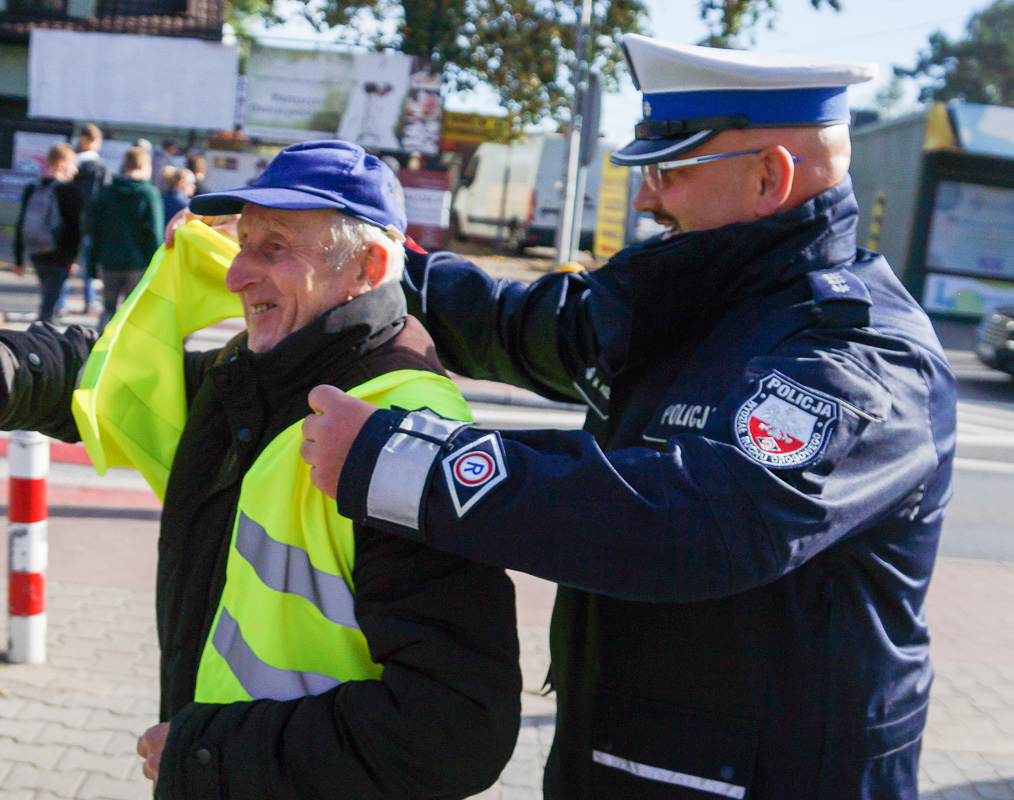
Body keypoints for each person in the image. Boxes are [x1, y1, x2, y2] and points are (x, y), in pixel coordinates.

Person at [299, 35, 957, 800]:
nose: (645, 197)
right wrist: (353, 258)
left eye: (669, 169)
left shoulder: (857, 351)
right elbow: (531, 327)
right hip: (624, 761)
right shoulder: (701, 290)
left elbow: (690, 522)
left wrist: (404, 464)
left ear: (770, 177)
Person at [0, 140, 521, 800]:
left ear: (367, 266)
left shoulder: (408, 433)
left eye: (274, 247)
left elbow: (456, 730)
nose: (237, 275)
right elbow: (102, 375)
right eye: (244, 241)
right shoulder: (254, 375)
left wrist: (211, 755)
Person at [88, 146, 164, 333]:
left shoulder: (106, 192)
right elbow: (155, 233)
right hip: (137, 264)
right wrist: (157, 265)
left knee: (108, 309)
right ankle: (126, 351)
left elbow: (95, 229)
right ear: (142, 165)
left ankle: (99, 346)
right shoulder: (148, 193)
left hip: (109, 262)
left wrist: (92, 263)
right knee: (133, 310)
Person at [13, 143, 81, 324]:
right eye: (72, 164)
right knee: (50, 306)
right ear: (61, 164)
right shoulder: (68, 190)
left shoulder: (32, 189)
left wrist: (18, 258)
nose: (75, 170)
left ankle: (45, 330)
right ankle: (43, 336)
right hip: (57, 255)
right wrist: (71, 258)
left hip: (35, 251)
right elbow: (74, 229)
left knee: (48, 298)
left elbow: (20, 223)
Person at [73, 122, 110, 314]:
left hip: (70, 219)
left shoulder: (72, 162)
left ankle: (59, 303)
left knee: (67, 263)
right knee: (89, 263)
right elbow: (102, 196)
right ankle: (89, 299)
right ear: (95, 140)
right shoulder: (99, 167)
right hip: (90, 221)